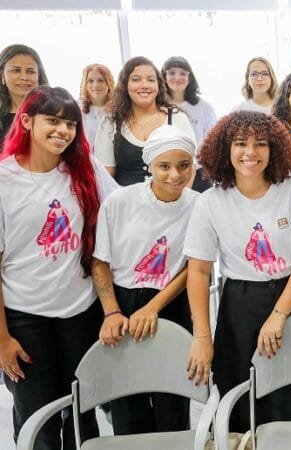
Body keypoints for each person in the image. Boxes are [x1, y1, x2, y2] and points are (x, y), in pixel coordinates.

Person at [184, 111, 291, 432]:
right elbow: (199, 271)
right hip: (240, 305)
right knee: (243, 398)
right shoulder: (211, 201)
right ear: (225, 149)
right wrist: (202, 336)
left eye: (261, 143)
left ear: (274, 149)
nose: (251, 152)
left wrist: (279, 314)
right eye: (240, 143)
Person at [0, 86, 117, 449]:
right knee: (39, 420)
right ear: (26, 121)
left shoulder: (85, 169)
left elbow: (125, 207)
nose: (63, 130)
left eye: (70, 124)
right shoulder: (4, 181)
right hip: (25, 318)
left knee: (83, 413)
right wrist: (2, 339)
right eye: (52, 120)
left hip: (80, 312)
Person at [92, 124, 197, 435]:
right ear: (149, 164)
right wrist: (111, 312)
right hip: (122, 305)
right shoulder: (120, 202)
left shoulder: (199, 205)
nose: (175, 175)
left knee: (172, 404)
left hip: (172, 303)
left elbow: (194, 267)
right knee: (127, 403)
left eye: (183, 165)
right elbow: (100, 262)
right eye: (164, 166)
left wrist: (153, 307)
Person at [94, 56, 194, 186]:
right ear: (125, 85)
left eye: (151, 80)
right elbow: (104, 177)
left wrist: (181, 199)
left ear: (159, 85)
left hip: (170, 198)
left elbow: (189, 168)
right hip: (124, 198)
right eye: (136, 79)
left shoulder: (177, 118)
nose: (145, 85)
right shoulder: (110, 122)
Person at [161, 56, 217, 192]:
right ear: (164, 77)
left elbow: (213, 143)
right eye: (171, 73)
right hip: (165, 172)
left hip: (198, 173)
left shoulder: (204, 108)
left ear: (189, 78)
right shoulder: (157, 107)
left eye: (182, 73)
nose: (177, 77)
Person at [0, 44, 48, 145]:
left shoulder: (54, 112)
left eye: (30, 71)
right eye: (16, 70)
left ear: (38, 76)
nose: (24, 77)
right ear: (2, 76)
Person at [79, 63, 114, 146]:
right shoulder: (79, 109)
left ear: (108, 83)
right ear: (86, 84)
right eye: (90, 81)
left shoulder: (119, 108)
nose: (96, 85)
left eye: (100, 80)